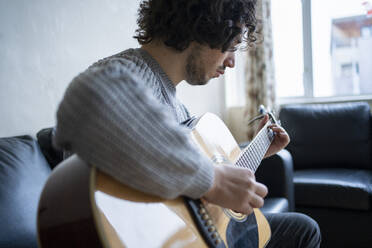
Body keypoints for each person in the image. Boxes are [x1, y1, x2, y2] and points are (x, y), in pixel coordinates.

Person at [53, 0, 321, 247]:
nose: (231, 61)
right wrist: (213, 180)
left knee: (302, 229)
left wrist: (257, 151)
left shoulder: (175, 104)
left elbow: (181, 175)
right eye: (230, 46)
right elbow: (86, 98)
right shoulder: (125, 73)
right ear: (202, 28)